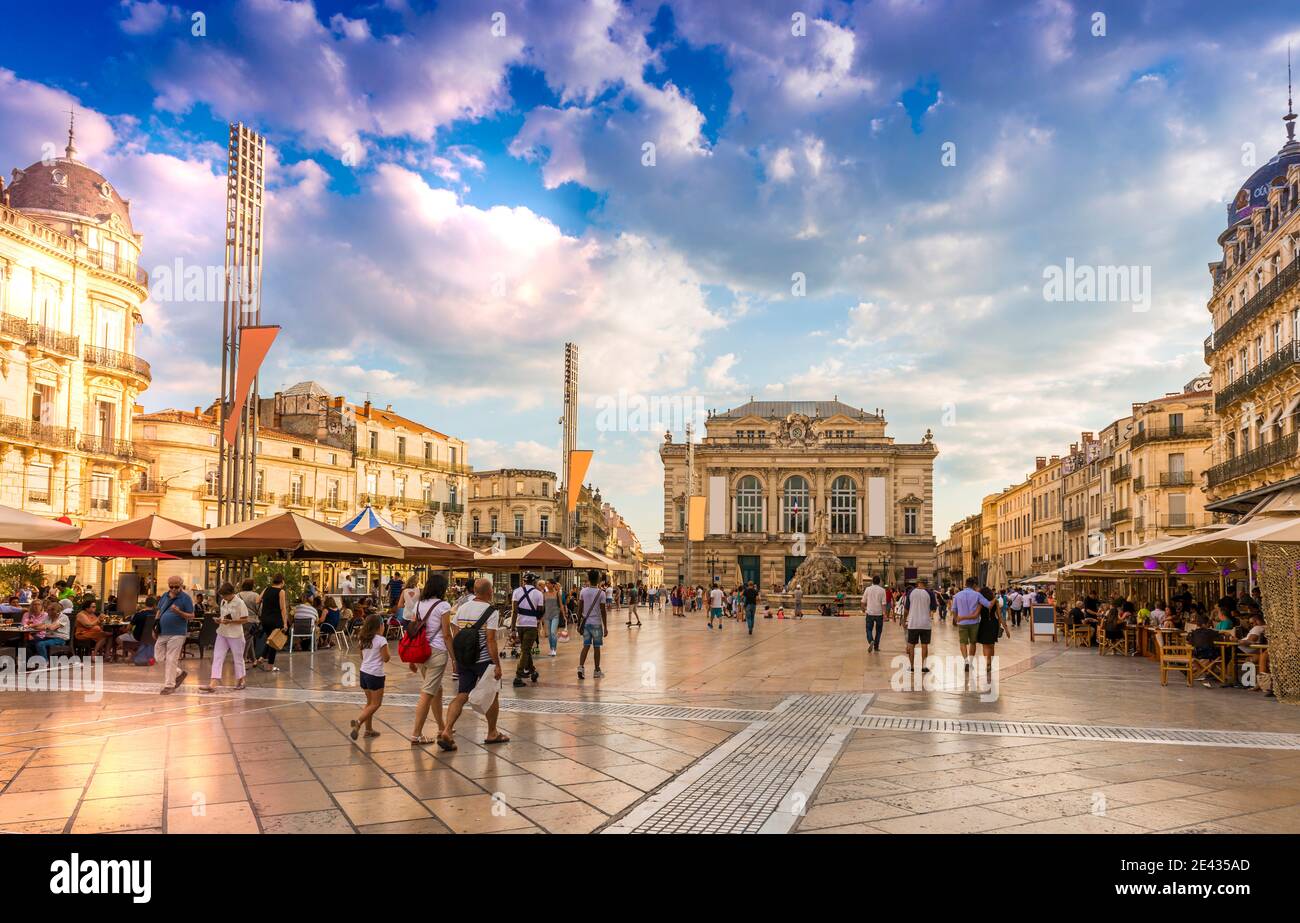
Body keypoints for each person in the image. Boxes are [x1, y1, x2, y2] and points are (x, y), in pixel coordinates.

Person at [442, 577, 508, 750]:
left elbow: (455, 635)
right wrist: (497, 664)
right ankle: (492, 732)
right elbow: (491, 640)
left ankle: (447, 730)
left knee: (462, 694)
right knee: (492, 694)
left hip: (465, 659)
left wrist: (456, 659)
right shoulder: (491, 611)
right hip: (484, 660)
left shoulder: (462, 608)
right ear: (489, 592)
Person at [407, 574, 454, 746]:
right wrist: (454, 659)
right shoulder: (443, 605)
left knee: (436, 689)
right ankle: (416, 734)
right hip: (437, 652)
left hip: (420, 652)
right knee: (427, 692)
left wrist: (411, 658)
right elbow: (447, 634)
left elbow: (412, 631)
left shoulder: (418, 604)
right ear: (441, 588)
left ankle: (442, 726)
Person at [202, 582, 250, 692]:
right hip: (222, 632)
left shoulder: (240, 603)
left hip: (236, 634)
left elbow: (245, 619)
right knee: (217, 656)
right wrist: (220, 620)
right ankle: (213, 682)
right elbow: (223, 615)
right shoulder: (224, 601)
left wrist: (232, 621)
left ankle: (241, 680)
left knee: (238, 658)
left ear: (231, 593)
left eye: (224, 595)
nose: (223, 597)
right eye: (222, 596)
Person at [351, 613, 389, 741]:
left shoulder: (363, 639)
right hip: (375, 674)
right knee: (376, 704)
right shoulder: (381, 640)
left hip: (364, 673)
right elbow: (386, 658)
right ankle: (359, 722)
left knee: (369, 703)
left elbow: (362, 657)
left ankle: (368, 730)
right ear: (380, 626)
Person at [155, 577, 194, 694]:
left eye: (176, 587)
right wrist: (155, 626)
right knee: (158, 657)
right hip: (163, 632)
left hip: (178, 632)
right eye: (171, 586)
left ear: (181, 585)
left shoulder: (185, 598)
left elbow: (191, 616)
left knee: (171, 658)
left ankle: (169, 686)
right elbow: (159, 611)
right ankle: (179, 673)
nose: (173, 589)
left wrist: (179, 612)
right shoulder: (164, 596)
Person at [949, 577, 992, 671]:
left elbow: (953, 610)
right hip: (974, 623)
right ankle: (971, 662)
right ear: (974, 585)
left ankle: (966, 661)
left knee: (962, 642)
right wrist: (995, 600)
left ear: (966, 584)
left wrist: (957, 619)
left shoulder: (957, 595)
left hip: (962, 622)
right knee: (973, 642)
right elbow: (988, 605)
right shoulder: (977, 595)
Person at [510, 573, 544, 688]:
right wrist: (538, 621)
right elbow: (540, 611)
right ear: (534, 582)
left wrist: (512, 628)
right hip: (531, 625)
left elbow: (514, 611)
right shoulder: (539, 594)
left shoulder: (516, 591)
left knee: (526, 649)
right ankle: (518, 676)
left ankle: (532, 671)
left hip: (519, 624)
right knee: (525, 650)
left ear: (524, 581)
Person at [577, 569, 608, 679]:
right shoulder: (601, 593)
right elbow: (603, 611)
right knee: (596, 647)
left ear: (588, 579)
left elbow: (579, 609)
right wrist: (605, 627)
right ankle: (597, 670)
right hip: (596, 624)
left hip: (586, 623)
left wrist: (578, 624)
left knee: (585, 646)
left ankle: (581, 667)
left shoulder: (583, 591)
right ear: (599, 579)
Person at [254, 575, 289, 672]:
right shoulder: (281, 591)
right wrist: (285, 623)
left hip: (265, 619)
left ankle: (261, 658)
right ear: (282, 581)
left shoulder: (266, 589)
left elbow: (257, 601)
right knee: (274, 642)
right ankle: (270, 665)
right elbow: (283, 608)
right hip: (275, 620)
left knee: (271, 639)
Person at [976, 584, 1008, 676]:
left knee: (985, 646)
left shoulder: (981, 603)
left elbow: (977, 615)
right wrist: (1006, 628)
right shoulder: (996, 602)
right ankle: (990, 663)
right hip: (993, 623)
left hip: (984, 623)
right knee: (992, 645)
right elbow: (1000, 616)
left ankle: (987, 662)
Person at [904, 579, 935, 673]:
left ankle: (912, 667)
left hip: (913, 623)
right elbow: (933, 609)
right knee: (924, 645)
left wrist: (904, 619)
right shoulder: (930, 593)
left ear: (918, 583)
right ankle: (924, 667)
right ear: (926, 584)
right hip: (925, 623)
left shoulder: (911, 592)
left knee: (911, 645)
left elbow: (906, 609)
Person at [862, 575, 887, 652]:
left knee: (868, 629)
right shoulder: (882, 590)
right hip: (879, 614)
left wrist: (863, 609)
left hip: (870, 613)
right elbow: (883, 604)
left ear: (872, 581)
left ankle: (871, 640)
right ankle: (876, 647)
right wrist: (884, 614)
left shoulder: (868, 589)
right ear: (879, 582)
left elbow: (863, 601)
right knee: (879, 631)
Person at [542, 580, 564, 656]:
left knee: (553, 632)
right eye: (546, 583)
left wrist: (564, 615)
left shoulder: (557, 594)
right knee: (549, 634)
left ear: (553, 584)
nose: (547, 585)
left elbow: (561, 605)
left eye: (548, 583)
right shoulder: (544, 594)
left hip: (555, 615)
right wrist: (541, 616)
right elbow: (543, 606)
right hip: (547, 616)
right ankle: (551, 648)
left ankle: (554, 649)